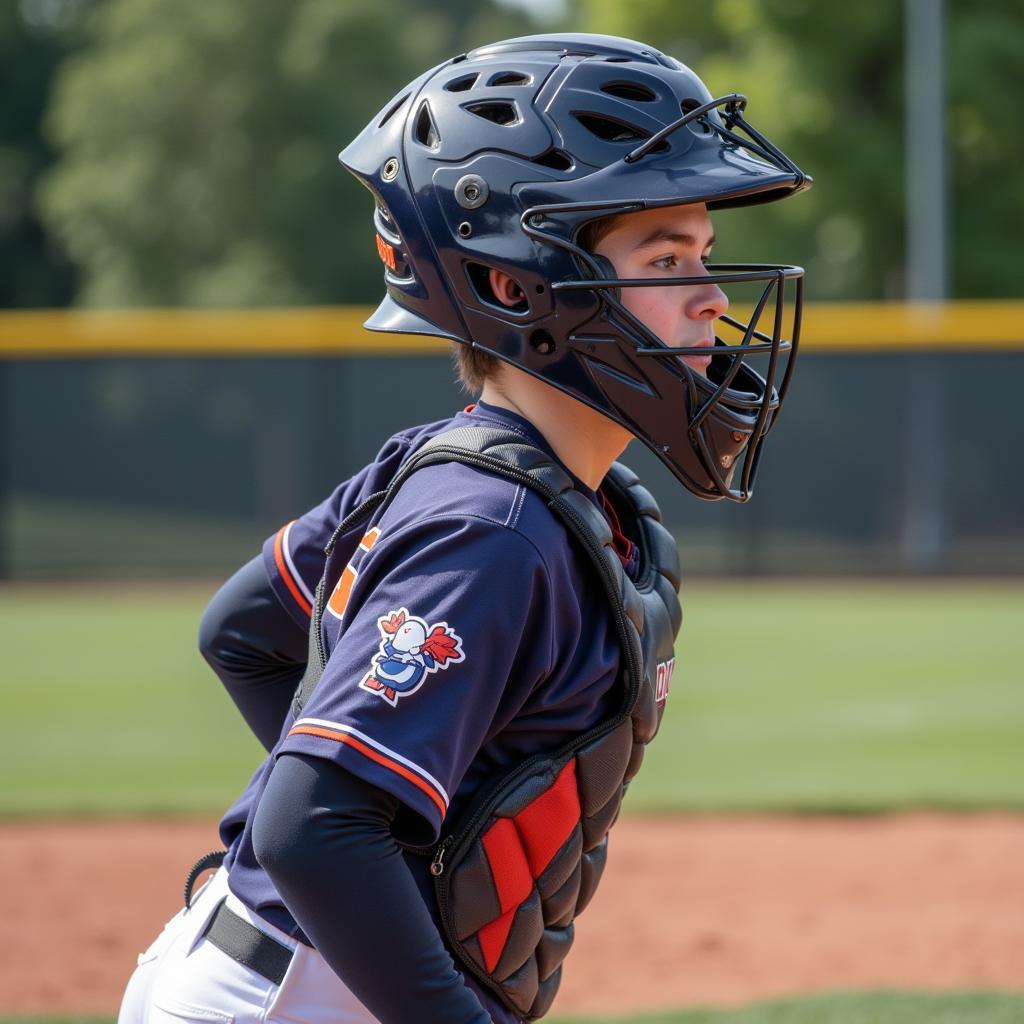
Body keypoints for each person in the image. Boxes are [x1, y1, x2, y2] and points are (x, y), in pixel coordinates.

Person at [118, 31, 809, 1024]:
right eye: (666, 258)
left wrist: (400, 854)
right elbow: (310, 827)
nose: (713, 296)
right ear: (514, 285)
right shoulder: (492, 527)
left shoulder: (496, 477)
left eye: (702, 254)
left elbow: (241, 629)